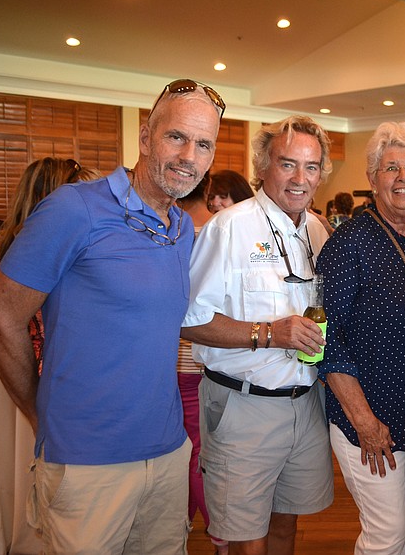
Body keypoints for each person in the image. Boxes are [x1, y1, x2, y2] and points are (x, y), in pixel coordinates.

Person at [0, 78, 224, 554]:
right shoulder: (74, 209)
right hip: (86, 462)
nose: (189, 156)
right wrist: (39, 411)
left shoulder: (181, 228)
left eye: (203, 144)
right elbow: (1, 318)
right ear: (145, 138)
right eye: (177, 137)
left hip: (167, 452)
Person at [181, 115, 335, 555]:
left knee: (286, 525)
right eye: (287, 164)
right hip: (243, 407)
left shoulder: (317, 231)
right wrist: (270, 333)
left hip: (306, 404)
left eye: (310, 167)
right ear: (263, 166)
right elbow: (189, 321)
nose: (300, 178)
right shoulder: (228, 228)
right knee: (246, 538)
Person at [317, 121, 405, 554]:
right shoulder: (350, 242)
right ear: (372, 179)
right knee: (387, 535)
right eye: (391, 168)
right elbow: (326, 338)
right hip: (370, 417)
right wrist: (364, 421)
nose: (403, 177)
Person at [0, 157, 92, 554]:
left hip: (11, 362)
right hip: (33, 364)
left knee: (12, 460)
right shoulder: (34, 246)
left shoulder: (1, 244)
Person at [175, 173, 228, 554]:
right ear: (207, 190)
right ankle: (216, 533)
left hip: (177, 360)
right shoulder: (218, 231)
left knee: (191, 450)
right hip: (207, 359)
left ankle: (196, 528)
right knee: (201, 451)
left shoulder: (171, 232)